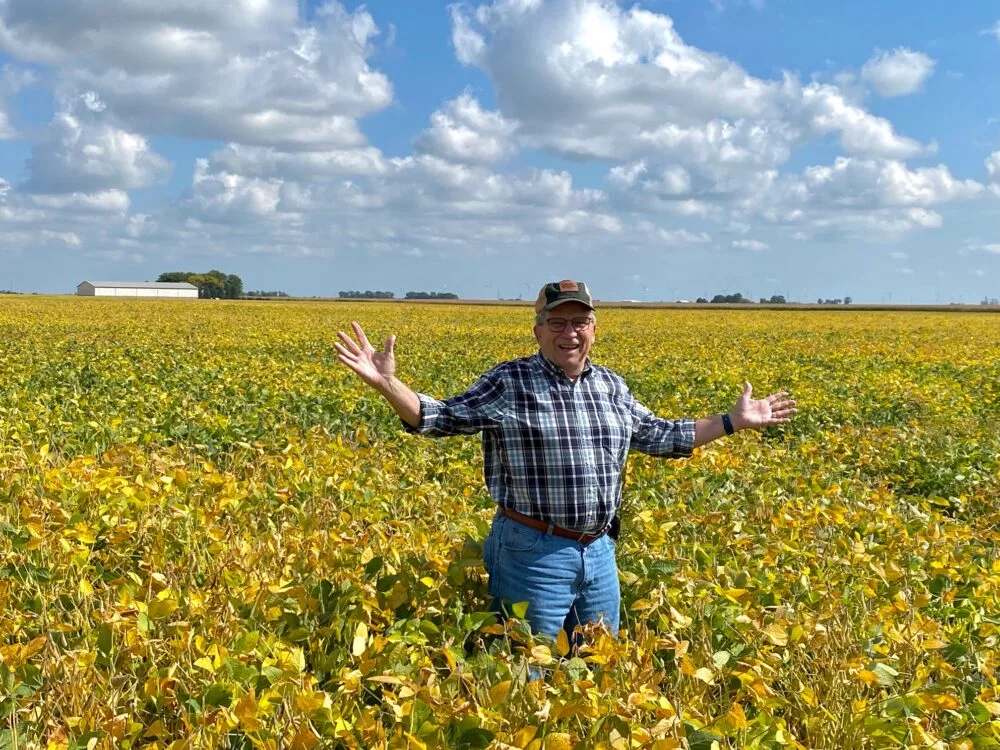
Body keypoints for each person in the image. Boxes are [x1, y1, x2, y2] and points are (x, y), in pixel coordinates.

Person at [335, 280, 796, 642]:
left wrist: (732, 421)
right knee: (529, 674)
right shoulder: (510, 381)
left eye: (579, 322)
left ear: (594, 329)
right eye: (556, 323)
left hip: (598, 551)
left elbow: (659, 436)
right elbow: (441, 417)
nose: (568, 333)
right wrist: (386, 384)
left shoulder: (611, 385)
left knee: (598, 664)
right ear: (537, 330)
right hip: (532, 551)